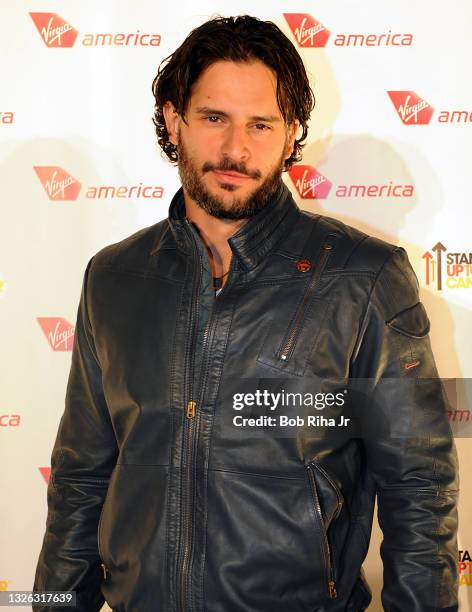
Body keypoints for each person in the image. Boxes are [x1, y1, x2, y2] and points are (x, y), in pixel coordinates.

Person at [33, 14, 459, 612]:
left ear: (291, 135)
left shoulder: (363, 278)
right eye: (214, 118)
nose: (236, 148)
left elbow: (419, 486)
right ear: (173, 119)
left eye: (261, 124)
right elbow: (80, 478)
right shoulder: (114, 277)